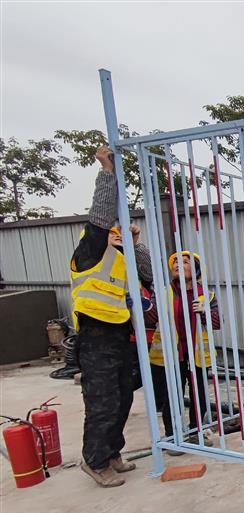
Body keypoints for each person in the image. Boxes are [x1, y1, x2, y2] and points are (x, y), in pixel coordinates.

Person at [71, 147, 155, 487]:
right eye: (111, 231)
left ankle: (112, 453)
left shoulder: (120, 258)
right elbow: (101, 214)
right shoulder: (89, 252)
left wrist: (135, 244)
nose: (115, 232)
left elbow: (148, 274)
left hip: (119, 334)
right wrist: (107, 172)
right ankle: (94, 460)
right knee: (102, 402)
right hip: (95, 336)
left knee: (122, 397)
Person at [147, 251, 220, 446]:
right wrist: (146, 306)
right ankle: (173, 436)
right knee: (172, 396)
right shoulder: (163, 292)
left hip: (198, 355)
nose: (178, 265)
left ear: (196, 270)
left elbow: (216, 323)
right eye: (176, 262)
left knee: (199, 396)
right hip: (172, 355)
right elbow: (151, 319)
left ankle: (196, 432)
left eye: (185, 262)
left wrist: (205, 312)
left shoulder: (207, 295)